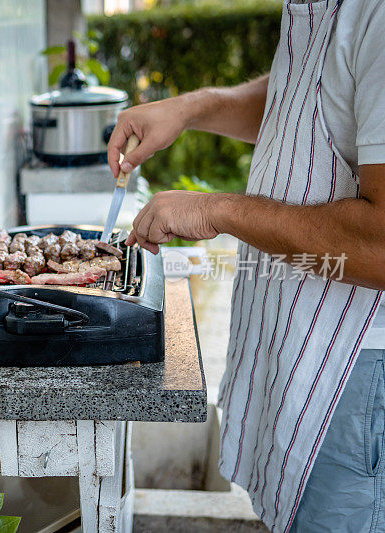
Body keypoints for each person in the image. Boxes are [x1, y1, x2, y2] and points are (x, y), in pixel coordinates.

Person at [107, 1, 385, 531]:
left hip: (357, 372)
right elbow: (306, 100)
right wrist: (191, 109)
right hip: (305, 347)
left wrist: (218, 209)